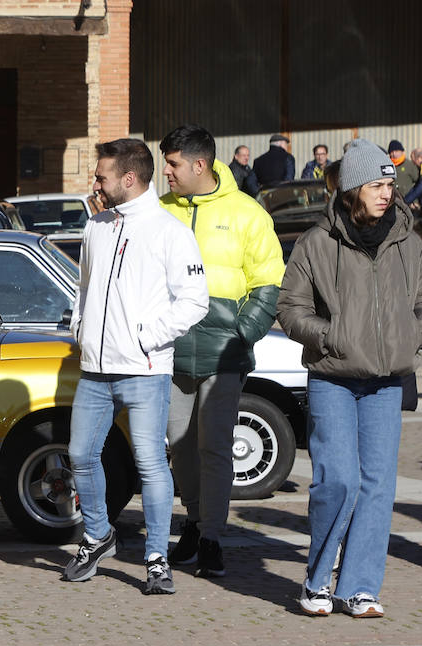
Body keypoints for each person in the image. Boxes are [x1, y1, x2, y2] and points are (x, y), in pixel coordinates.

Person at [278, 138, 422, 618]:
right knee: (338, 481)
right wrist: (329, 337)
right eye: (376, 184)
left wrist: (414, 334)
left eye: (390, 183)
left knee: (378, 484)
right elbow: (289, 309)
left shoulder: (408, 242)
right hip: (333, 376)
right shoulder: (316, 243)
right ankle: (317, 580)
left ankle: (360, 586)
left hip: (387, 380)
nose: (387, 192)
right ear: (352, 189)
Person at [62, 138, 209, 594]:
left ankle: (156, 558)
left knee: (150, 464)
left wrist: (147, 337)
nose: (96, 183)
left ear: (129, 178)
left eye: (102, 176)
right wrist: (81, 328)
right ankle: (98, 536)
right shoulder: (98, 227)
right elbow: (84, 289)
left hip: (145, 371)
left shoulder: (170, 230)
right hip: (95, 369)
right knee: (81, 456)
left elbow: (195, 301)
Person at [158, 125, 286, 578]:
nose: (166, 172)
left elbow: (269, 281)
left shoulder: (248, 213)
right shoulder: (158, 212)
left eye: (173, 164)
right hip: (170, 353)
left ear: (199, 165)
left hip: (224, 352)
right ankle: (194, 520)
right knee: (179, 445)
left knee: (215, 447)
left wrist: (242, 334)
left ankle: (211, 534)